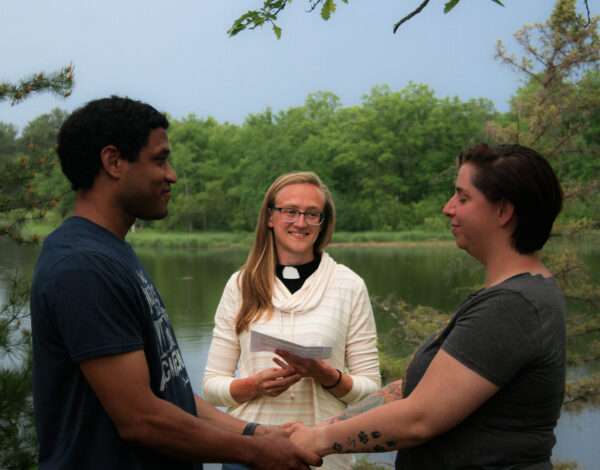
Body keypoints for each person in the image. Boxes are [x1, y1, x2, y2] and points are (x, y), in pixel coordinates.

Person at [29, 96, 320, 470]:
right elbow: (141, 418)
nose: (172, 175)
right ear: (113, 162)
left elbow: (170, 391)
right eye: (160, 159)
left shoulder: (112, 253)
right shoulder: (82, 267)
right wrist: (258, 454)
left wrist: (253, 433)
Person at [288, 143, 566, 469]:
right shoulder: (516, 295)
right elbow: (408, 391)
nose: (448, 208)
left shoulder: (514, 306)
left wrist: (317, 442)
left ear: (503, 212)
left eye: (463, 198)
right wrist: (321, 429)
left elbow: (419, 419)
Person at [202, 171, 381, 470]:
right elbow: (211, 387)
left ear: (323, 222)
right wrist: (253, 385)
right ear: (270, 217)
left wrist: (328, 377)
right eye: (290, 212)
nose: (301, 222)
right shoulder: (240, 284)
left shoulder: (348, 285)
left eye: (312, 214)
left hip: (322, 455)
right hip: (250, 453)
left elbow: (372, 393)